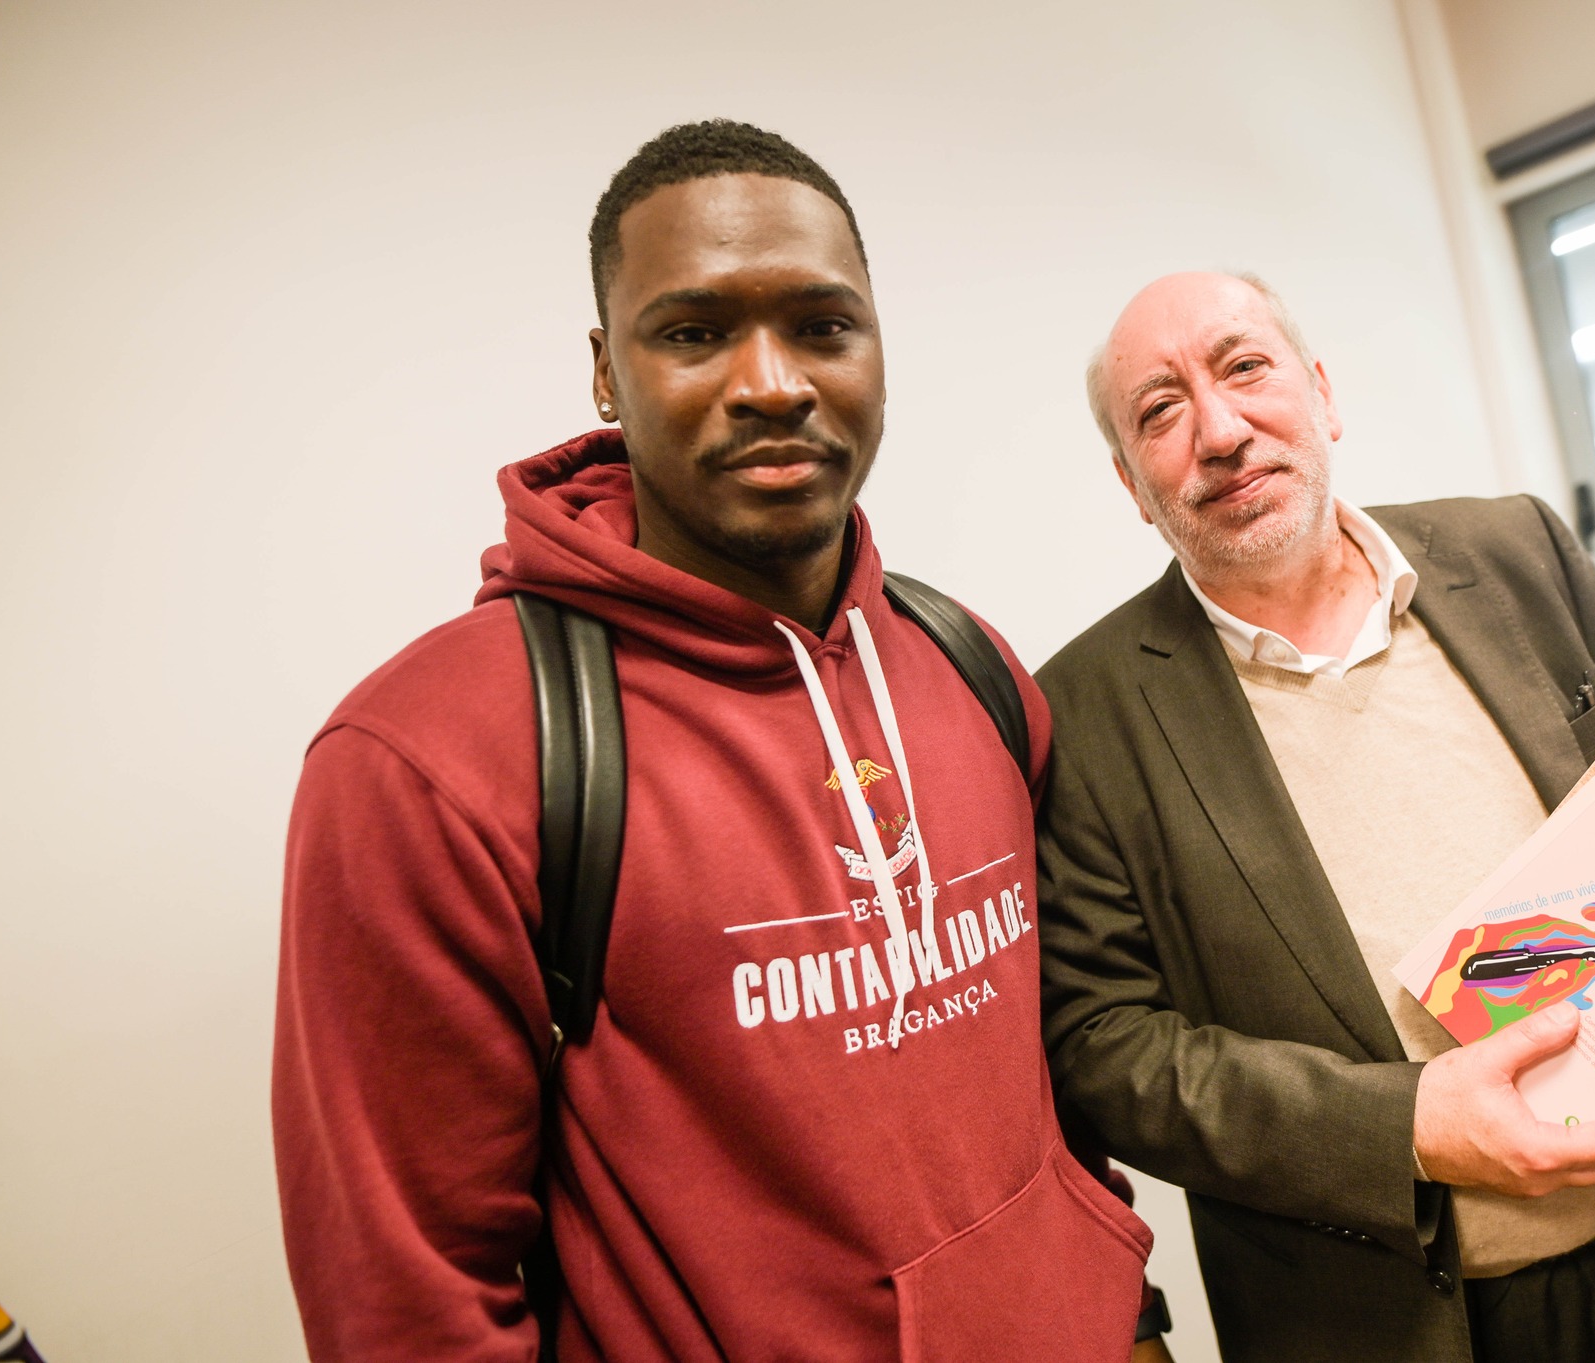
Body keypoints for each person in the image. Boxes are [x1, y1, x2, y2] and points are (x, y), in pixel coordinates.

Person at [273, 120, 1161, 1361]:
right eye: (693, 332)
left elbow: (1045, 1093)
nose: (772, 383)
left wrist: (1131, 1320)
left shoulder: (971, 665)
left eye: (822, 325)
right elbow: (410, 1301)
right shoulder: (430, 759)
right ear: (604, 371)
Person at [1035, 271, 1595, 1363]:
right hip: (1376, 1317)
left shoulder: (1517, 551)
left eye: (1245, 367)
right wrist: (1404, 1126)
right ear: (1131, 482)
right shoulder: (1077, 713)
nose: (1219, 430)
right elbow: (1103, 1045)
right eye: (1160, 411)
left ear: (1321, 393)